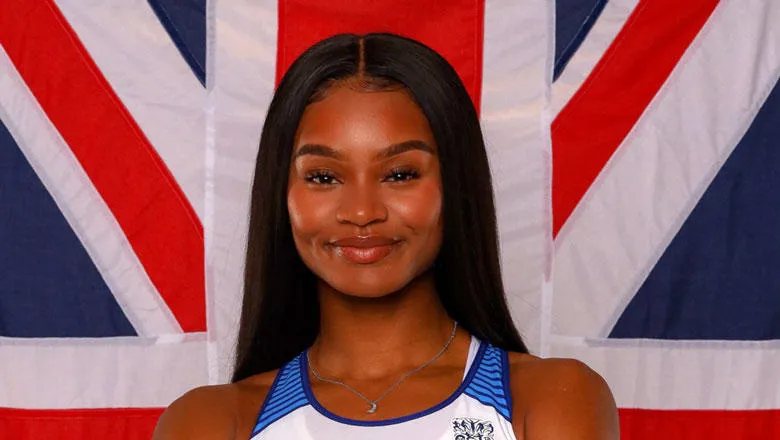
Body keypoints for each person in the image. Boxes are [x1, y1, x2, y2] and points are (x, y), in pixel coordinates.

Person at [153, 32, 619, 440]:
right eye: (322, 177)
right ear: (281, 194)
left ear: (456, 186)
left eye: (399, 174)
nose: (361, 212)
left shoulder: (551, 400)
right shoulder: (212, 421)